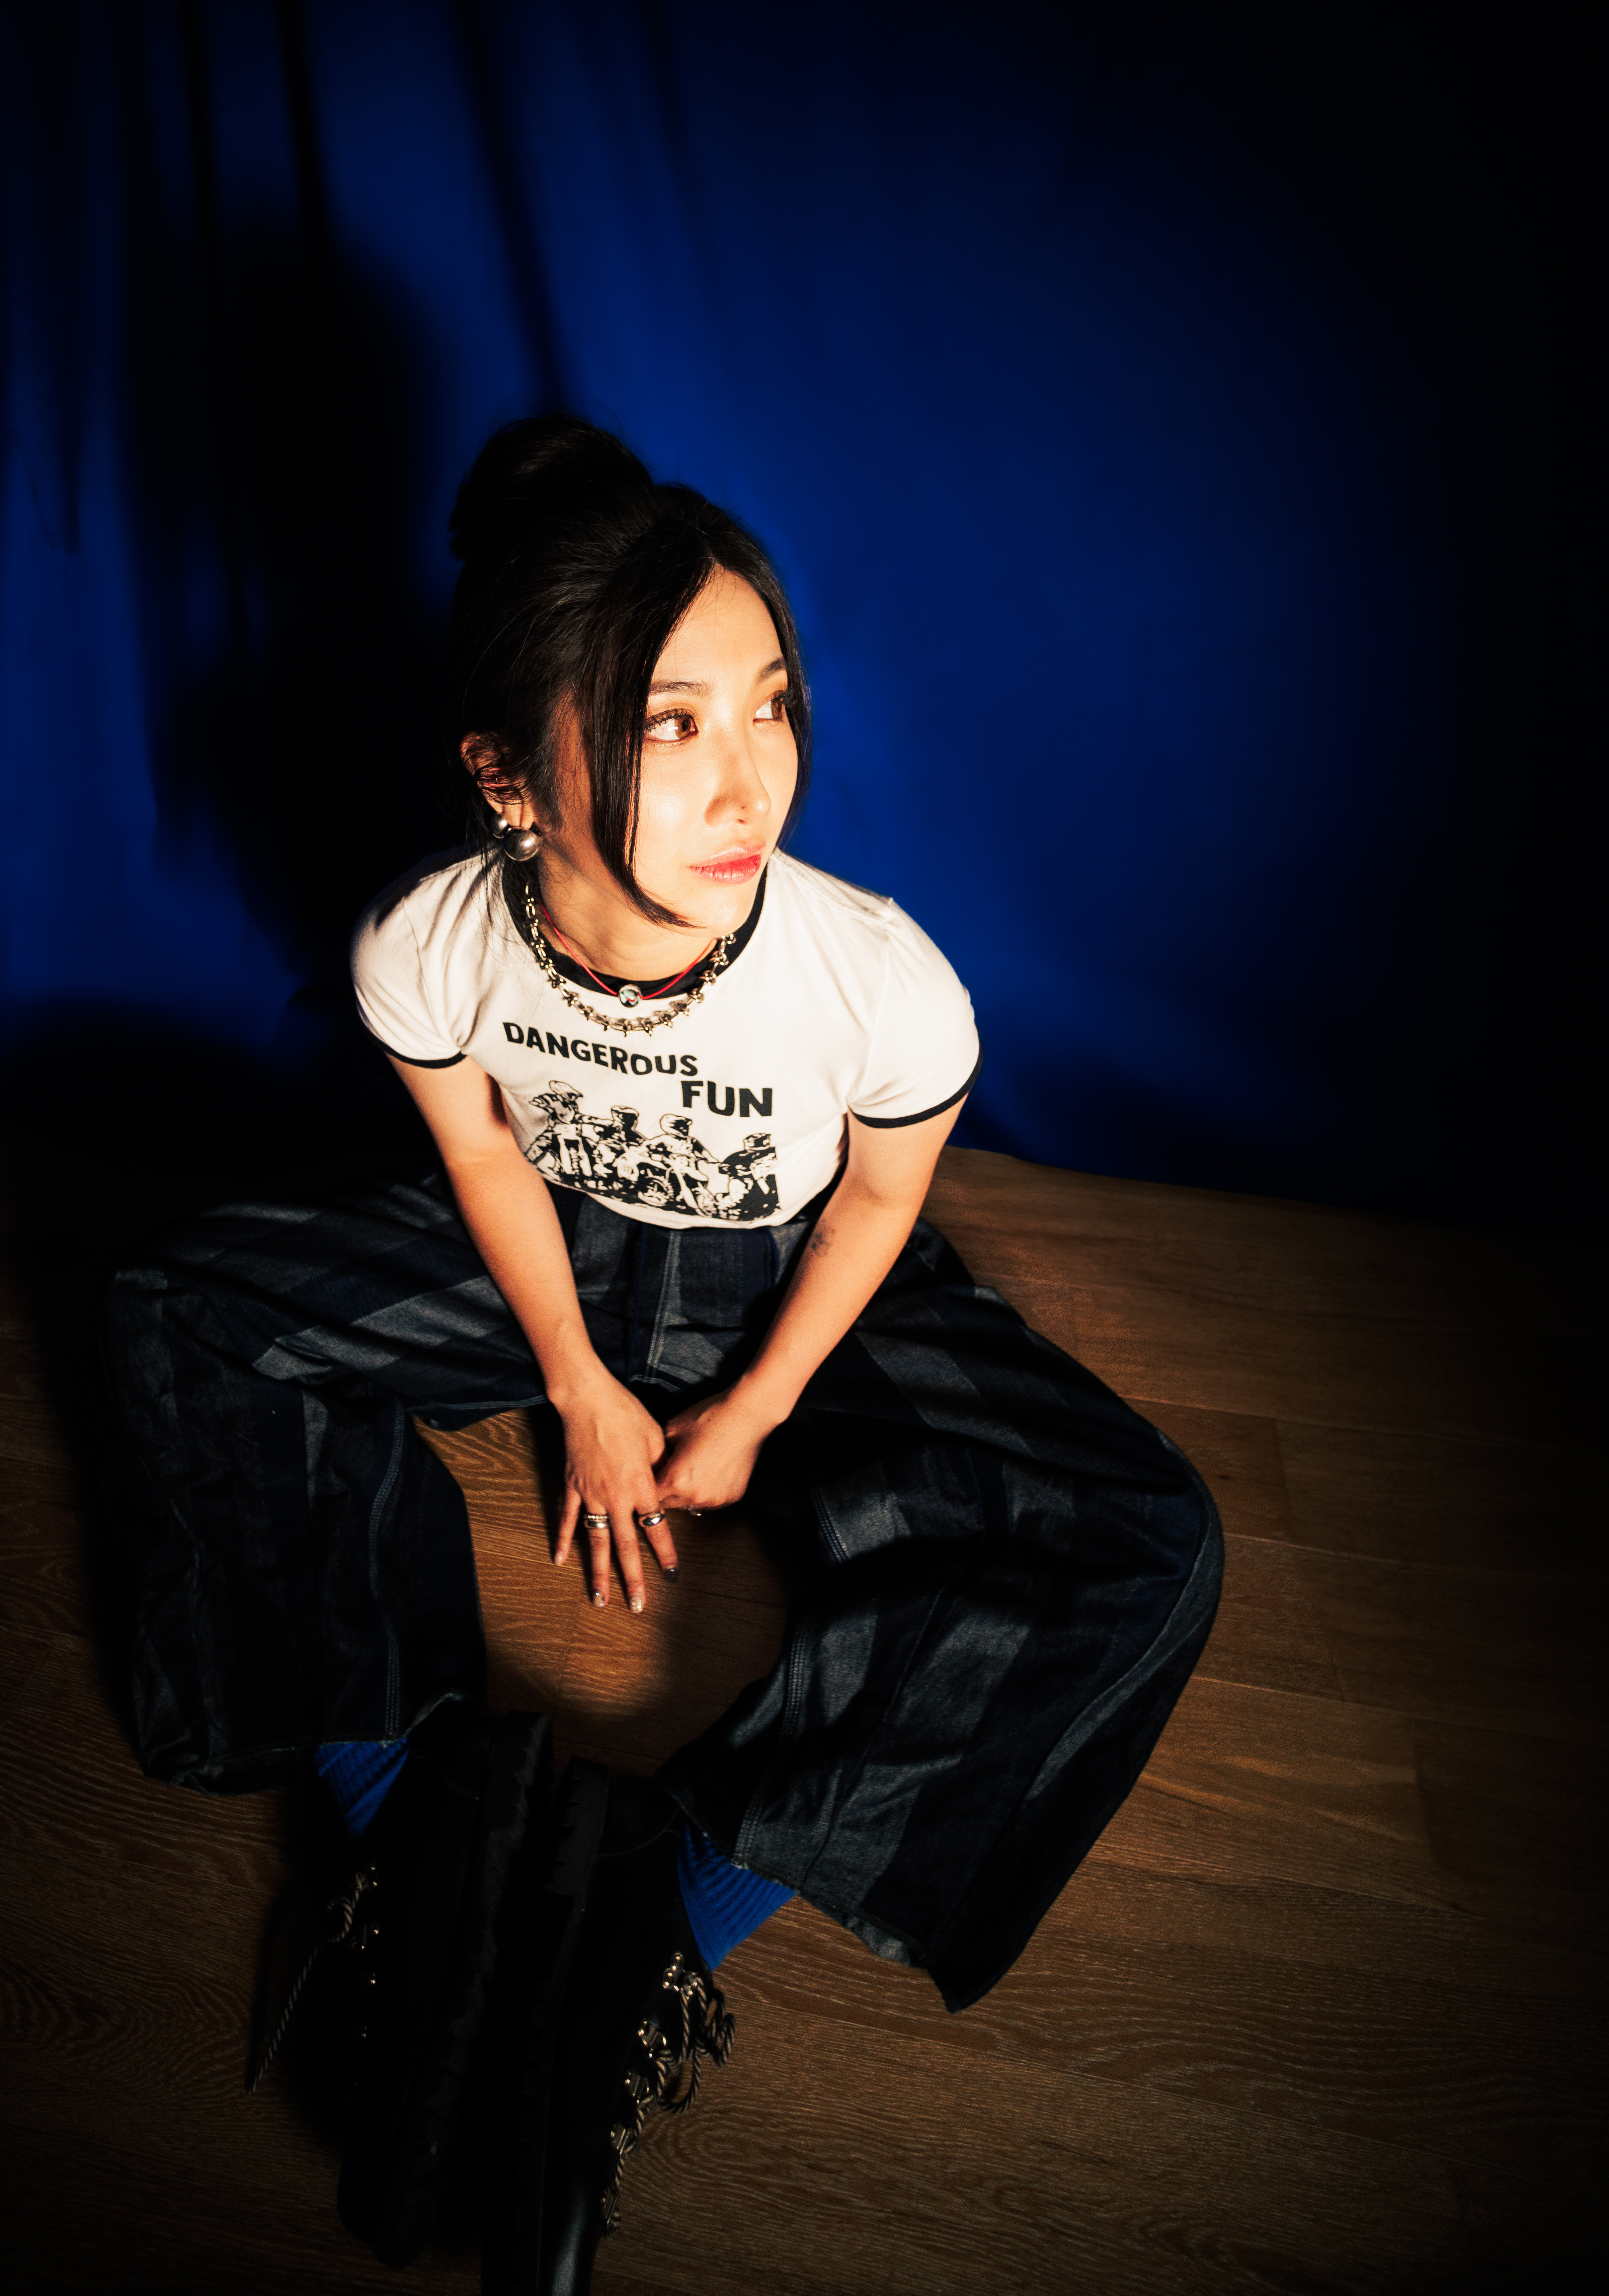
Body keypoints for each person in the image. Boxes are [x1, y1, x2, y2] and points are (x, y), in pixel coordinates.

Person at [100, 417, 1222, 2293]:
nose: (744, 776)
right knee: (179, 1306)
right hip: (561, 1271)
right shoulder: (427, 943)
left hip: (791, 1286)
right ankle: (412, 1828)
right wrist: (584, 1393)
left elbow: (872, 1215)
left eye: (765, 702)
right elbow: (475, 1158)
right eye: (664, 720)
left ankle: (657, 1914)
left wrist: (755, 1412)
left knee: (1143, 1540)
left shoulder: (877, 975)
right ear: (504, 778)